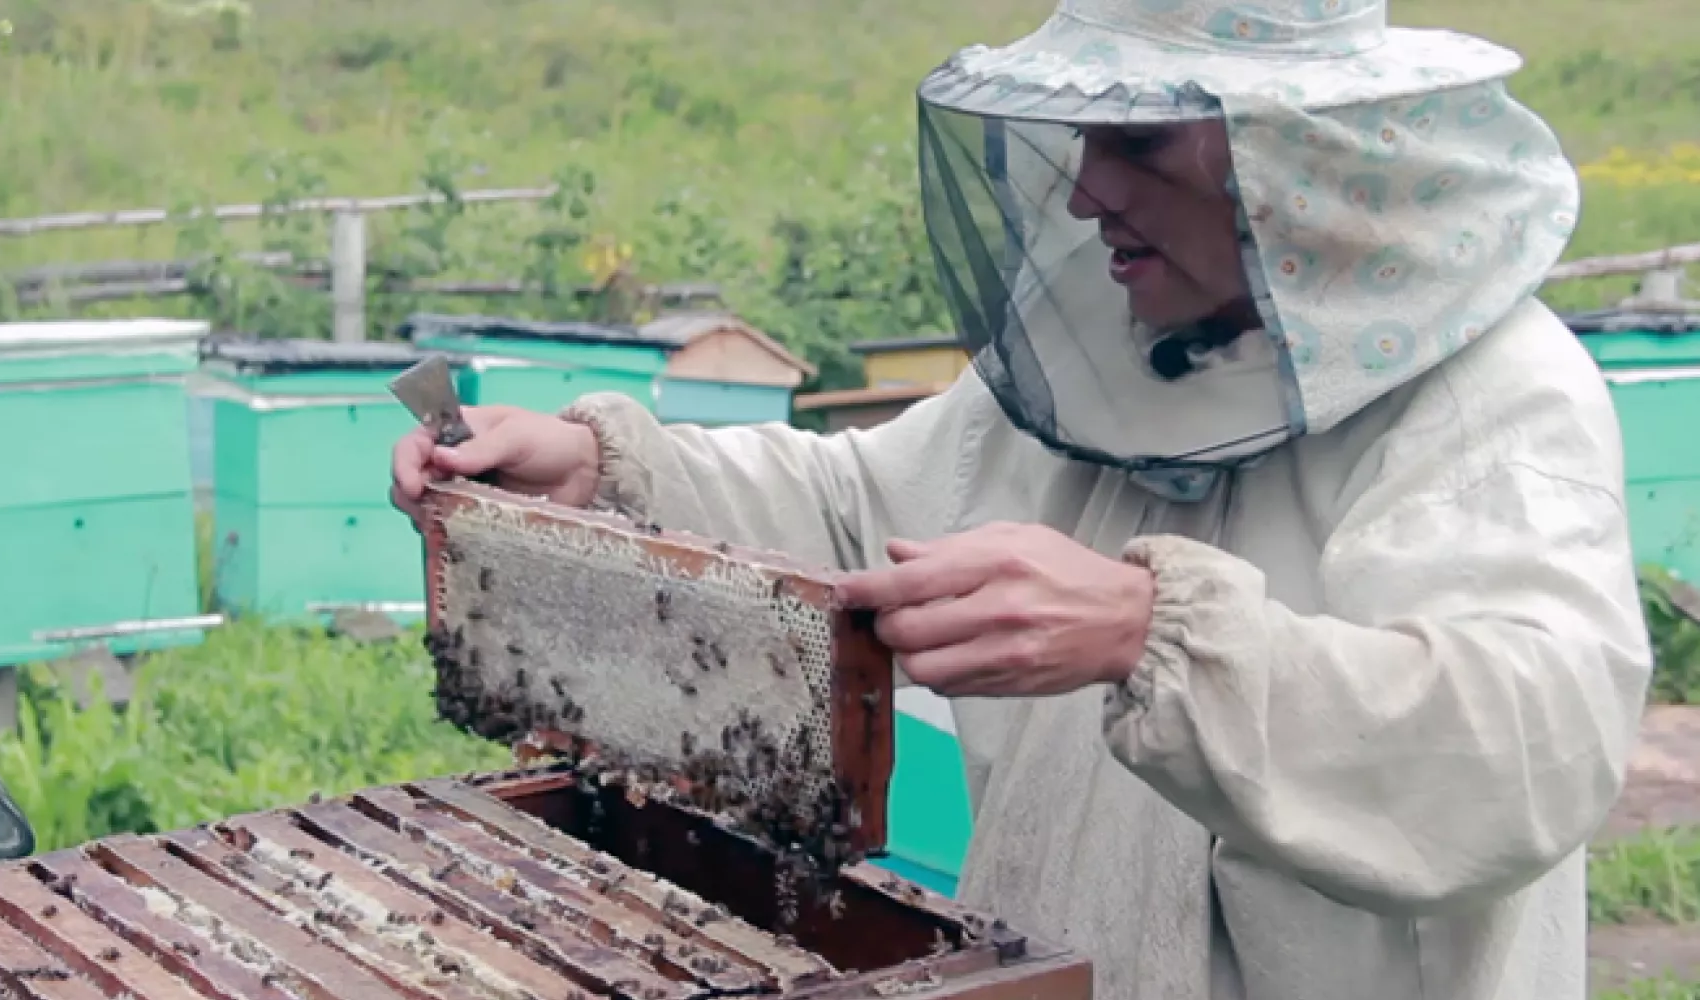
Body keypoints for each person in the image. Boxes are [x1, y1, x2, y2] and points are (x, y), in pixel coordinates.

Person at [393, 0, 1654, 996]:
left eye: (1139, 139)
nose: (1087, 188)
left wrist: (1147, 632)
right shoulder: (1106, 356)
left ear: (1293, 157)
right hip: (1051, 962)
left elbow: (1524, 747)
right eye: (1082, 136)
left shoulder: (1491, 399)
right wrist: (607, 469)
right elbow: (857, 510)